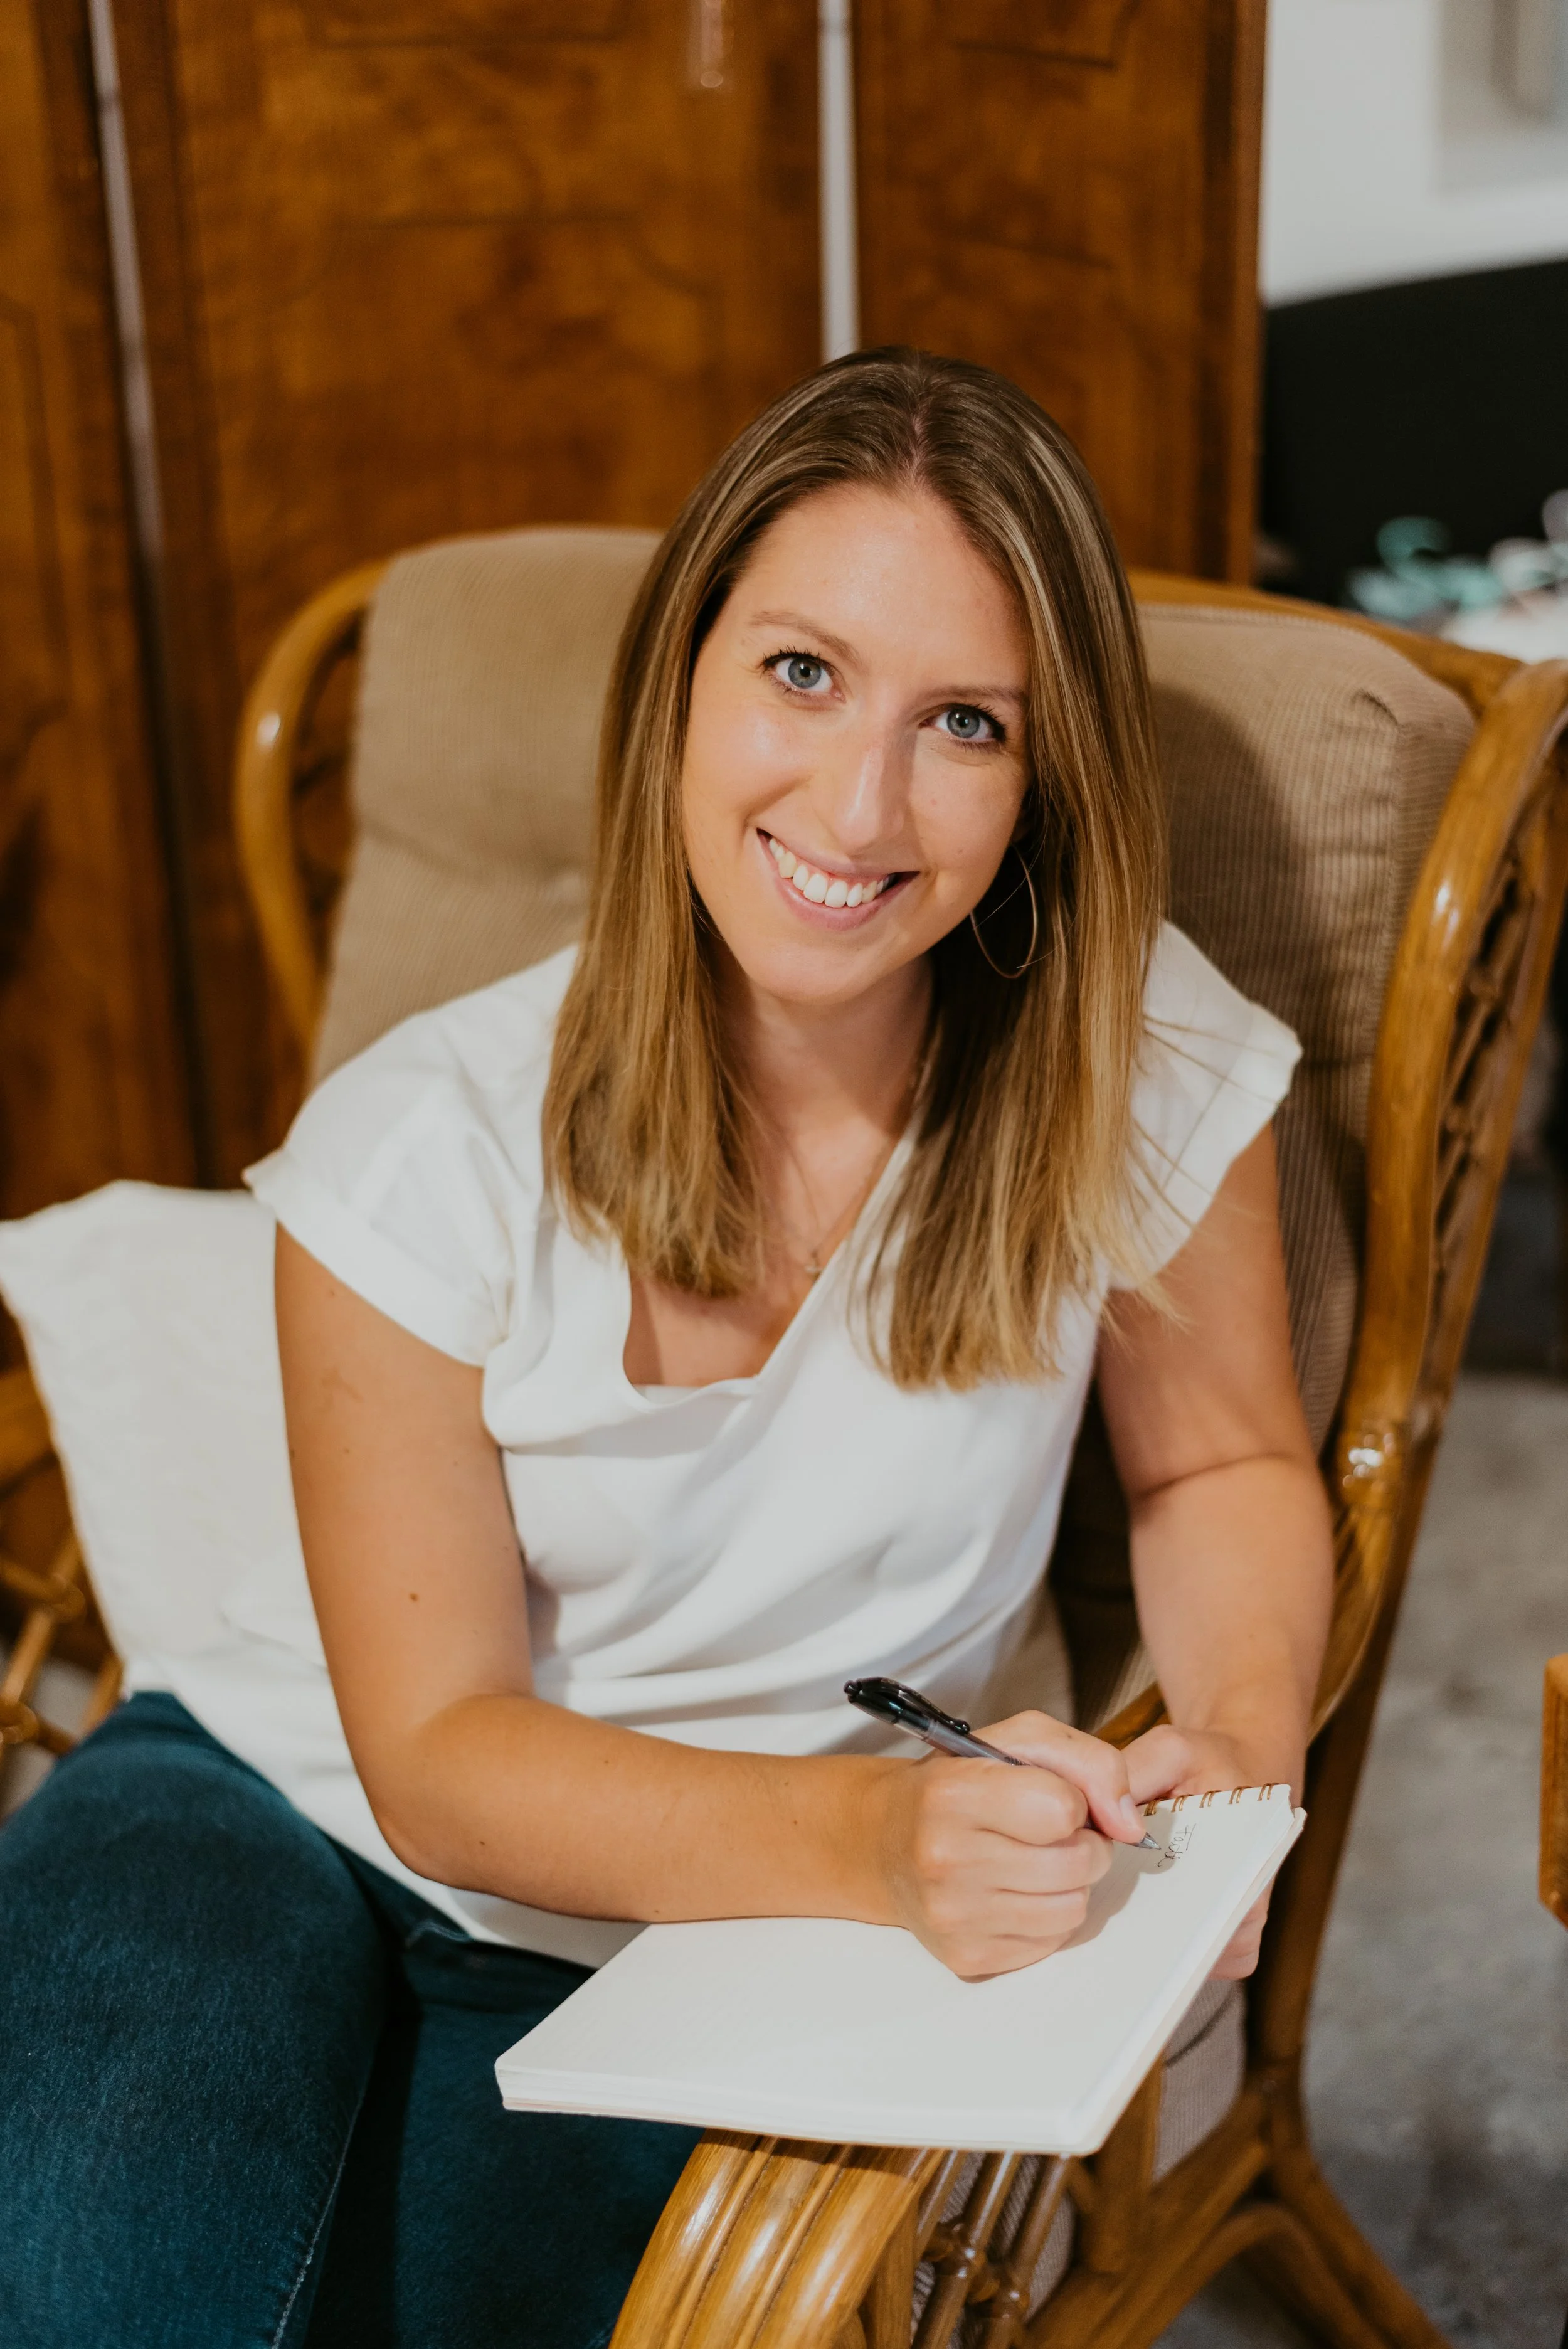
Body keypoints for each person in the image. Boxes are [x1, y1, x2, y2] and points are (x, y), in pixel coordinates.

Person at [0, 349, 1332, 2347]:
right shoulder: (417, 1143)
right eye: (801, 672)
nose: (858, 806)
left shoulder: (1128, 1055)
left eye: (959, 721)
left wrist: (1233, 1746)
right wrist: (885, 1841)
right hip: (278, 1801)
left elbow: (1214, 1462)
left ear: (1042, 775)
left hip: (723, 1935)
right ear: (682, 678)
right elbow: (435, 1759)